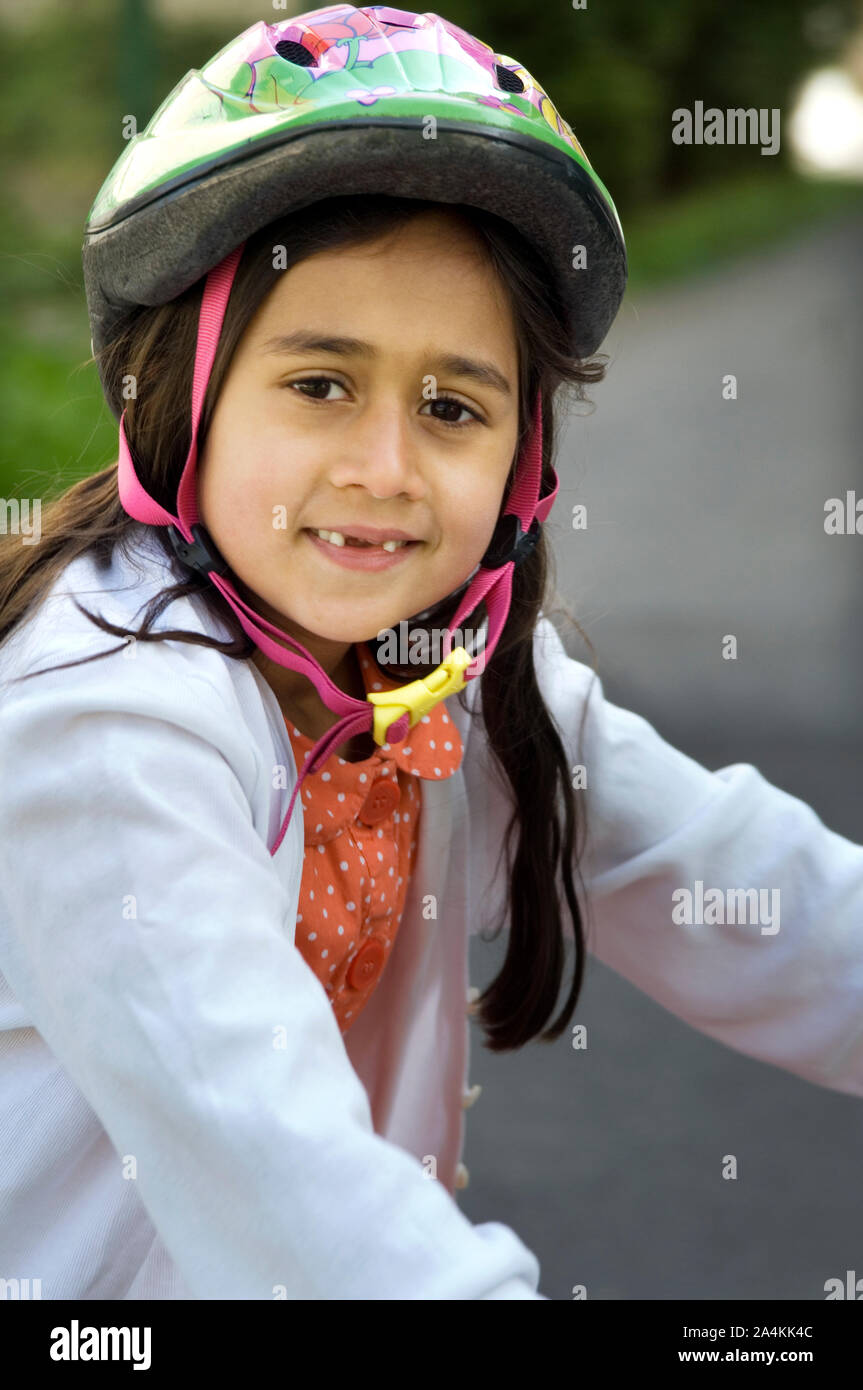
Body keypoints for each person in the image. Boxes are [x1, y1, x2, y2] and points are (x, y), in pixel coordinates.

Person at [0, 5, 860, 1302]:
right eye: (321, 383)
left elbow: (764, 897)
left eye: (453, 406)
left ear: (521, 470)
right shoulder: (104, 725)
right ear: (182, 401)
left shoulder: (448, 683)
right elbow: (301, 1201)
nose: (387, 469)